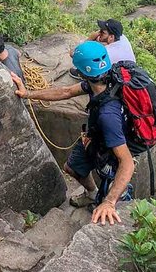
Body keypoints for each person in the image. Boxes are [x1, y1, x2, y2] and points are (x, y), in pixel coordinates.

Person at [11, 41, 134, 226]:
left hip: (112, 147)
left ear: (84, 72)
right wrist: (27, 94)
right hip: (95, 138)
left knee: (113, 191)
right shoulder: (106, 79)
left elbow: (127, 162)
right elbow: (66, 91)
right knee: (72, 168)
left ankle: (106, 203)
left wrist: (109, 202)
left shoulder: (108, 115)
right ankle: (92, 195)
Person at [70, 18, 135, 79]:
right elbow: (104, 43)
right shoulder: (122, 37)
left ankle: (83, 77)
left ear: (111, 37)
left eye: (102, 32)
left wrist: (89, 39)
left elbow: (75, 54)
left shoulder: (107, 53)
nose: (99, 33)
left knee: (89, 65)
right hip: (128, 72)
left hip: (117, 80)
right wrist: (100, 38)